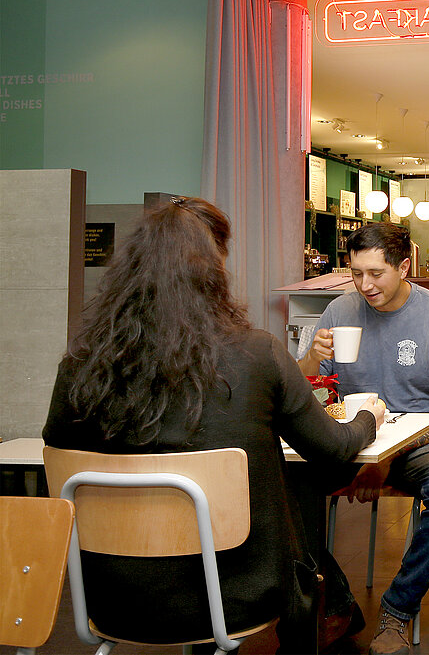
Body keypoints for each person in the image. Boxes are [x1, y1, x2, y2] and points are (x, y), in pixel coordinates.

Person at [42, 197, 385, 652]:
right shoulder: (255, 354)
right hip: (234, 594)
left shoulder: (80, 365)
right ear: (214, 269)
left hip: (111, 598)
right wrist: (368, 417)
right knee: (288, 493)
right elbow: (335, 450)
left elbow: (60, 451)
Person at [298, 222, 429, 655]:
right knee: (274, 482)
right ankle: (336, 602)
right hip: (347, 437)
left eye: (376, 273)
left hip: (420, 442)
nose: (365, 284)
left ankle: (397, 610)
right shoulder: (339, 312)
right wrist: (309, 358)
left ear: (404, 266)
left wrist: (384, 458)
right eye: (356, 273)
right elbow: (303, 391)